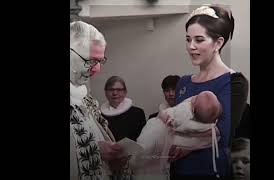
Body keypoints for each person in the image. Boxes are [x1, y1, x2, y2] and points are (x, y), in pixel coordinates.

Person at [169, 5, 249, 179]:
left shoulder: (234, 81)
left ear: (218, 43)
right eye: (188, 39)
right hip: (178, 172)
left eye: (199, 40)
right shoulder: (183, 82)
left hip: (212, 171)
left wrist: (185, 145)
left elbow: (223, 132)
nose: (191, 46)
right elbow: (175, 124)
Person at [70, 21, 126, 180]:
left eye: (100, 61)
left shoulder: (86, 99)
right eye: (90, 60)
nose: (97, 69)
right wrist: (95, 150)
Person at [132, 91, 222, 179]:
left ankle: (133, 159)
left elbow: (177, 123)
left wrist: (166, 117)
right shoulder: (198, 115)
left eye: (195, 98)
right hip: (158, 128)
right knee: (145, 152)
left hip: (158, 128)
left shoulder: (186, 114)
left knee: (146, 151)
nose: (192, 98)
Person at [100, 76, 146, 142]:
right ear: (105, 92)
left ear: (125, 92)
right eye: (111, 90)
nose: (115, 93)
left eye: (119, 90)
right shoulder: (99, 116)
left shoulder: (138, 113)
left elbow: (143, 140)